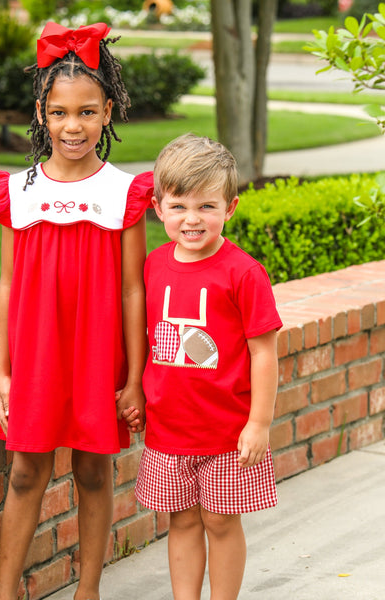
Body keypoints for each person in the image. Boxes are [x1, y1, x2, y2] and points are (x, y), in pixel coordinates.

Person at [0, 21, 152, 600]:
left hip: (98, 353)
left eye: (85, 112)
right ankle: (5, 594)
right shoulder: (20, 190)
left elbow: (133, 290)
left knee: (92, 470)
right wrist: (2, 371)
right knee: (27, 470)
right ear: (40, 113)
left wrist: (133, 377)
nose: (71, 126)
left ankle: (88, 592)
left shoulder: (122, 192)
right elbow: (7, 284)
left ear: (107, 111)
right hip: (35, 355)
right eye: (59, 113)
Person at [135, 133, 282, 600]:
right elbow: (146, 340)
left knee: (219, 520)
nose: (192, 220)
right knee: (181, 519)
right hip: (169, 427)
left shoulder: (243, 273)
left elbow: (264, 352)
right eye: (179, 207)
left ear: (230, 208)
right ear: (158, 207)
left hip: (226, 430)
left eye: (207, 207)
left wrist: (258, 423)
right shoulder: (152, 266)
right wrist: (135, 392)